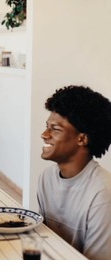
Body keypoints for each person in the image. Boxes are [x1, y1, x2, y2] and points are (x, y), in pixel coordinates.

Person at [37, 85, 111, 260]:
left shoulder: (103, 194)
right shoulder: (46, 178)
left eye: (55, 129)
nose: (44, 134)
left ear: (82, 139)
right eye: (47, 126)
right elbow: (44, 239)